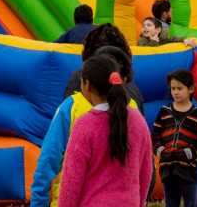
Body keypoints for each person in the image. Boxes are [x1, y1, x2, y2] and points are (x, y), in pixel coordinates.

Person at [31, 46, 143, 207]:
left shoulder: (73, 109)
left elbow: (50, 158)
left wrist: (39, 202)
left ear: (87, 82)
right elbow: (143, 168)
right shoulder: (133, 111)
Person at [59, 55, 153, 207]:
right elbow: (146, 171)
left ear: (86, 85)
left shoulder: (85, 125)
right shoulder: (138, 121)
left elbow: (71, 181)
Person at [152, 69, 197, 207]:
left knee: (191, 203)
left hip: (188, 170)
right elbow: (155, 135)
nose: (176, 92)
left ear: (190, 89)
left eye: (180, 88)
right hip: (167, 169)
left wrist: (189, 153)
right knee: (171, 202)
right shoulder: (164, 112)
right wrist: (160, 151)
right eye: (173, 88)